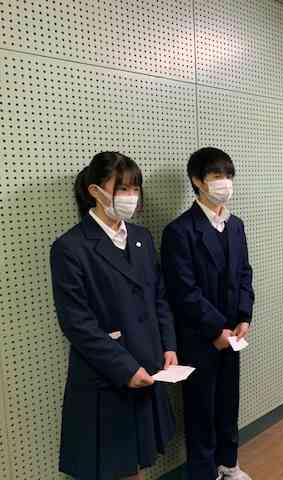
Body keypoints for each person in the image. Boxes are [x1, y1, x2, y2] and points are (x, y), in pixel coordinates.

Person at [50, 152, 178, 480]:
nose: (130, 196)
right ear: (95, 191)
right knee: (117, 469)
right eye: (122, 188)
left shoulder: (141, 237)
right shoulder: (70, 247)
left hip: (149, 365)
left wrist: (169, 346)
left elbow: (159, 298)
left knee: (138, 464)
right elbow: (76, 323)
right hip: (107, 375)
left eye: (135, 188)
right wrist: (125, 368)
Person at [161, 147, 255, 480]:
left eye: (228, 176)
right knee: (201, 409)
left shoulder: (236, 225)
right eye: (216, 176)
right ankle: (203, 473)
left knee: (229, 402)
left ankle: (229, 463)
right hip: (200, 336)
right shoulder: (179, 231)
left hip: (233, 334)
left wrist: (244, 317)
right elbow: (183, 290)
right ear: (197, 181)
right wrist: (216, 329)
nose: (224, 183)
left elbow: (244, 274)